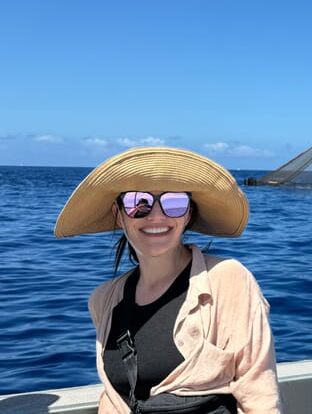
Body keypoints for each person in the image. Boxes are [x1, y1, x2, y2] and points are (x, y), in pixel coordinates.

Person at [54, 146, 282, 414]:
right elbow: (116, 396)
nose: (156, 216)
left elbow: (260, 398)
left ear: (188, 215)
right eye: (138, 203)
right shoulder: (104, 300)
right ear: (119, 214)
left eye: (175, 202)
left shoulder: (228, 280)